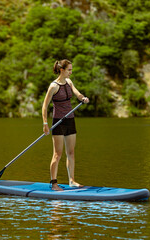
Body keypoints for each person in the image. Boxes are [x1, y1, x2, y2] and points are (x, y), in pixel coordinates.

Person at [42, 59, 89, 191]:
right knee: (57, 154)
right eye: (69, 70)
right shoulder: (53, 86)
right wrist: (45, 123)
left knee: (71, 152)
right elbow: (44, 107)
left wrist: (83, 98)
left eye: (71, 70)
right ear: (62, 70)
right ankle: (54, 183)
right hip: (58, 122)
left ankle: (72, 180)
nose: (71, 72)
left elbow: (77, 94)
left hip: (70, 120)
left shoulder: (69, 82)